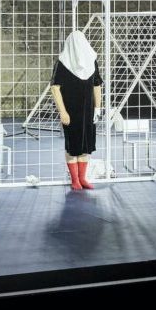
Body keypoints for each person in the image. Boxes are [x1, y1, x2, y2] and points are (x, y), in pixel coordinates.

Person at [50, 30, 103, 190]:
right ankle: (75, 180)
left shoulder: (91, 61)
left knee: (86, 144)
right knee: (72, 145)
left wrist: (98, 108)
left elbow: (97, 86)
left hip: (88, 110)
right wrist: (62, 112)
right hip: (71, 110)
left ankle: (82, 178)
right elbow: (55, 88)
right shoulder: (62, 63)